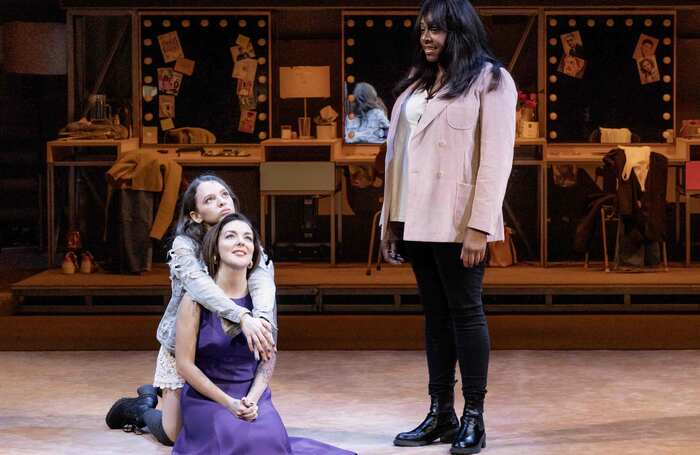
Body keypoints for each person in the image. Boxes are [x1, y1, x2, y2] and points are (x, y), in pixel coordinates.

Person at [379, 0, 516, 454]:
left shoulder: (491, 80)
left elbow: (496, 160)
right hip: (413, 218)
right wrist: (390, 222)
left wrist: (480, 227)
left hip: (457, 222)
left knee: (466, 312)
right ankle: (441, 413)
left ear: (458, 30)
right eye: (421, 29)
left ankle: (474, 415)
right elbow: (398, 159)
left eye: (435, 29)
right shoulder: (418, 84)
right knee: (436, 319)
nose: (426, 37)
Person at [105, 175, 277, 446]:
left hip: (223, 349)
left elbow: (263, 280)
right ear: (196, 215)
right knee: (172, 435)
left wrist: (263, 322)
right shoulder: (184, 246)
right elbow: (200, 287)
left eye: (225, 196)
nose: (222, 202)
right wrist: (243, 316)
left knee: (234, 425)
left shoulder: (244, 239)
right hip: (185, 345)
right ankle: (140, 407)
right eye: (210, 199)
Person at [173, 212, 355, 455]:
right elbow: (184, 365)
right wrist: (229, 403)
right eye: (230, 236)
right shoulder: (193, 301)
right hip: (208, 398)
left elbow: (269, 358)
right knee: (233, 440)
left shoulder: (262, 301)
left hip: (253, 394)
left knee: (268, 442)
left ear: (252, 259)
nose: (241, 242)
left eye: (247, 238)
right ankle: (140, 409)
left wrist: (252, 399)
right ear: (214, 252)